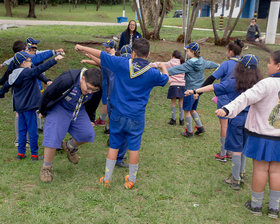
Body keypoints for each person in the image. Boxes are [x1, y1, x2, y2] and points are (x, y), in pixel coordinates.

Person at [75, 38, 169, 189]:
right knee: (134, 147)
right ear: (148, 53)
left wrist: (81, 46)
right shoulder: (152, 73)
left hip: (117, 114)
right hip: (136, 116)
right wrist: (163, 66)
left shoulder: (121, 64)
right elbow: (166, 79)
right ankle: (131, 179)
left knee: (113, 145)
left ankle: (107, 178)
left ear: (133, 53)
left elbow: (101, 54)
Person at [216, 50, 280, 219]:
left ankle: (256, 205)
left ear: (278, 65)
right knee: (276, 171)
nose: (267, 65)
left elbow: (245, 98)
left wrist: (227, 109)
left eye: (270, 62)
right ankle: (274, 208)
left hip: (262, 135)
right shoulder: (265, 82)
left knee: (260, 169)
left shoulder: (266, 84)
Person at [186, 54, 262, 190]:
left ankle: (235, 179)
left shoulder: (235, 82)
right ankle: (242, 173)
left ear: (240, 68)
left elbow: (212, 87)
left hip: (237, 119)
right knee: (244, 148)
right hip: (252, 122)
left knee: (236, 149)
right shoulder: (260, 85)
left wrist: (195, 90)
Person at [39, 67, 102, 182]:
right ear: (82, 78)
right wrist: (43, 111)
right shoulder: (67, 79)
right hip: (60, 107)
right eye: (88, 88)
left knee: (87, 134)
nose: (89, 92)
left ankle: (69, 147)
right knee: (53, 136)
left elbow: (93, 103)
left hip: (78, 109)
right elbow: (48, 93)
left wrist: (91, 118)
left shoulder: (96, 88)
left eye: (93, 90)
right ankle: (46, 168)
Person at [0, 51, 63, 160]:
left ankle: (21, 154)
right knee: (33, 132)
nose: (31, 63)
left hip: (20, 108)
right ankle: (34, 155)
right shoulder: (27, 73)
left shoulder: (13, 74)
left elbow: (4, 88)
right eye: (29, 61)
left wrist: (1, 94)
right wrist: (55, 59)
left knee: (22, 131)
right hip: (29, 107)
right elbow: (40, 69)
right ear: (23, 62)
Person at [200, 39, 244, 162]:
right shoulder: (244, 64)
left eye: (227, 50)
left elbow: (211, 78)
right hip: (239, 100)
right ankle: (230, 152)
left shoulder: (226, 64)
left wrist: (199, 91)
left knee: (224, 125)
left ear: (230, 51)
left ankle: (223, 153)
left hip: (225, 98)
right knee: (232, 125)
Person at [168, 42, 219, 137]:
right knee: (192, 110)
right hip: (198, 92)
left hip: (189, 91)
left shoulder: (189, 64)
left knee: (187, 111)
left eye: (187, 51)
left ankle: (189, 131)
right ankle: (200, 127)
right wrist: (219, 65)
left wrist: (165, 72)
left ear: (192, 52)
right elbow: (210, 64)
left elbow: (178, 69)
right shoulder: (202, 61)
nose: (186, 52)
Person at [150, 50, 185, 125]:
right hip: (183, 85)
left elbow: (160, 64)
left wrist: (150, 64)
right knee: (181, 103)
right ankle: (181, 120)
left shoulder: (170, 63)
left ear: (172, 56)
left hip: (174, 85)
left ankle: (173, 119)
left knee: (173, 103)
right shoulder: (183, 63)